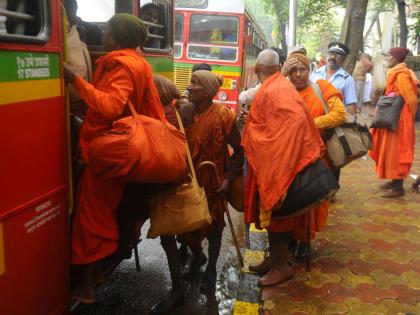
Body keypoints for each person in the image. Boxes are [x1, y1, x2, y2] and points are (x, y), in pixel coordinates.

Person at [62, 13, 165, 304]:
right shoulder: (137, 61)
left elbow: (109, 107)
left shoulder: (121, 64)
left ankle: (87, 287)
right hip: (120, 150)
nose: (103, 36)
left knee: (91, 218)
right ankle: (97, 274)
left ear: (119, 37)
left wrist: (75, 80)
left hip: (110, 153)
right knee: (101, 213)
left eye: (108, 32)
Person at [242, 49, 325, 286]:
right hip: (274, 163)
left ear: (257, 69)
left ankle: (281, 267)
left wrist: (278, 154)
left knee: (280, 217)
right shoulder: (275, 85)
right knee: (272, 217)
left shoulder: (277, 87)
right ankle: (274, 259)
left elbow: (296, 122)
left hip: (281, 166)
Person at [178, 70, 244, 293]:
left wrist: (228, 178)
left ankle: (212, 267)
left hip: (213, 184)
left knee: (214, 228)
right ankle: (198, 256)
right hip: (188, 183)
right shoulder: (185, 113)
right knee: (185, 229)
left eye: (194, 84)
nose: (189, 87)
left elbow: (239, 150)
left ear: (206, 92)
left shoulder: (224, 116)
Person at [281, 50, 346, 259]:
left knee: (313, 198)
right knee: (292, 198)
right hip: (290, 156)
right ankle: (290, 238)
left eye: (302, 69)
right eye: (293, 71)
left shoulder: (322, 88)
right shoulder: (283, 91)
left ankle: (306, 239)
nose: (298, 74)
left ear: (309, 70)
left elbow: (339, 114)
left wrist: (309, 124)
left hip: (318, 156)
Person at [369, 47, 419, 198]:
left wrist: (406, 118)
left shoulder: (401, 75)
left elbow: (411, 99)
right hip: (393, 118)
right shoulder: (395, 72)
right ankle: (393, 181)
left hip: (400, 121)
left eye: (389, 56)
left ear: (397, 58)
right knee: (389, 151)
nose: (387, 58)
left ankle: (398, 187)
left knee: (397, 151)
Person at [310, 42, 357, 114]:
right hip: (313, 115)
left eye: (338, 55)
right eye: (331, 54)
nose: (332, 57)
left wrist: (352, 122)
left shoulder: (347, 79)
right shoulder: (316, 73)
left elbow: (351, 104)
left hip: (334, 119)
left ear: (343, 60)